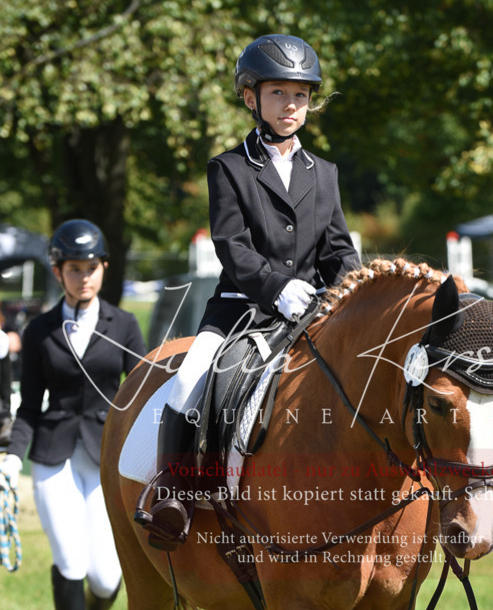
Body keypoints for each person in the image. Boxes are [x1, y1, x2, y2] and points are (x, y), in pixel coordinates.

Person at [139, 33, 361, 550]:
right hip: (242, 307)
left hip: (311, 312)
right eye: (279, 93)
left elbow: (339, 250)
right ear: (251, 97)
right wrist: (277, 288)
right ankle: (177, 491)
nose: (291, 105)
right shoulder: (228, 168)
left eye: (301, 95)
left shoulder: (324, 174)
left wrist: (350, 291)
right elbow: (232, 248)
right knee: (191, 378)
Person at [0, 219, 145, 610]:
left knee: (107, 576)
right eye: (74, 269)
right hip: (52, 457)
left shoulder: (124, 325)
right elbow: (29, 407)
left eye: (92, 268)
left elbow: (144, 394)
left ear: (104, 269)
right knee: (71, 561)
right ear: (58, 272)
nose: (85, 277)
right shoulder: (39, 329)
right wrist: (8, 459)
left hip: (105, 458)